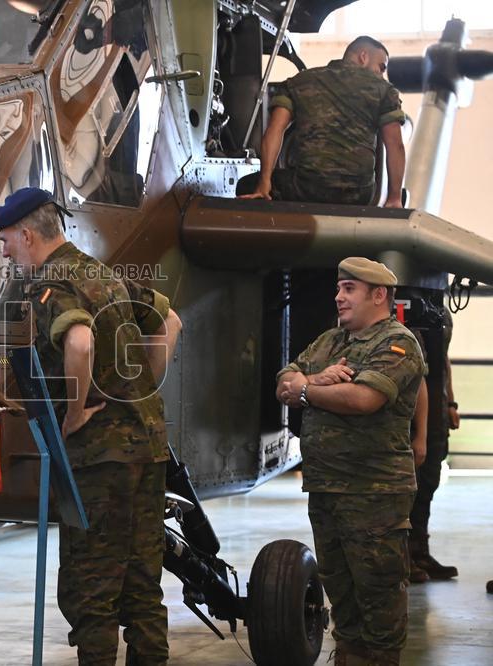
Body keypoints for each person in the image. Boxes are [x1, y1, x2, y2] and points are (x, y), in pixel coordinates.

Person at [0, 187, 182, 665]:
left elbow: (78, 343)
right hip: (149, 449)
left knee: (92, 594)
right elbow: (170, 320)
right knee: (142, 588)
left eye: (7, 240)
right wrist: (145, 385)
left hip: (102, 461)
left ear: (28, 235)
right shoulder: (101, 272)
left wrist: (76, 413)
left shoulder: (51, 284)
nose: (5, 251)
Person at [276, 257, 425, 666]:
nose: (338, 297)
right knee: (341, 595)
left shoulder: (397, 343)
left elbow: (363, 399)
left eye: (349, 289)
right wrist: (307, 381)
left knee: (378, 599)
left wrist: (306, 390)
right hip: (325, 489)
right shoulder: (331, 342)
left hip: (372, 493)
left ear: (378, 295)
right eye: (339, 288)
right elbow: (283, 380)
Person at [239, 36, 406, 207]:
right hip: (359, 194)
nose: (382, 75)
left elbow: (275, 129)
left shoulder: (299, 82)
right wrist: (394, 198)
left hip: (308, 189)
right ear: (363, 57)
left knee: (246, 184)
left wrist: (264, 183)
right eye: (381, 67)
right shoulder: (384, 91)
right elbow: (395, 145)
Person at [409, 306, 460, 581]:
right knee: (412, 483)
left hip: (438, 405)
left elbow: (444, 359)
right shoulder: (410, 307)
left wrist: (451, 402)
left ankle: (420, 551)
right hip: (418, 407)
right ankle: (404, 555)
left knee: (429, 480)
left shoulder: (438, 310)